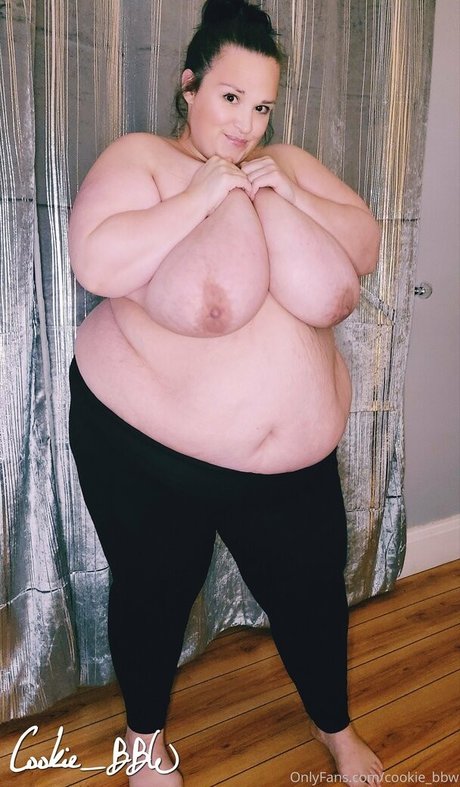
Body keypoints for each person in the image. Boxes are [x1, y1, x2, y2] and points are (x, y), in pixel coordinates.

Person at [67, 1, 384, 784]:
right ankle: (144, 741)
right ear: (189, 85)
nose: (246, 124)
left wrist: (291, 194)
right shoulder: (143, 157)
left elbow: (366, 243)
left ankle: (336, 728)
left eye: (262, 106)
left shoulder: (288, 162)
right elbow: (96, 262)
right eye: (231, 97)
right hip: (150, 449)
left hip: (292, 464)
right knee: (155, 592)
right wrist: (201, 195)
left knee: (312, 594)